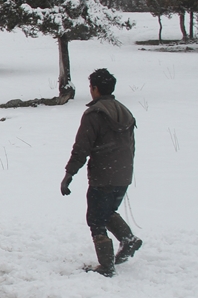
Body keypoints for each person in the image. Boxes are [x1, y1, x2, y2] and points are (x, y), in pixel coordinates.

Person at [60, 68, 143, 276]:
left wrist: (69, 174)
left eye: (91, 87)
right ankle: (128, 240)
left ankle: (106, 266)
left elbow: (81, 148)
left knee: (96, 219)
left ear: (95, 89)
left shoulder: (94, 114)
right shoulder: (125, 112)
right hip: (123, 175)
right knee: (106, 212)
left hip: (103, 175)